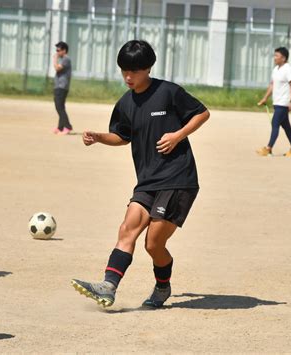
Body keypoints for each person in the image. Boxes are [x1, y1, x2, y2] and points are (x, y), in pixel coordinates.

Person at [71, 40, 210, 308]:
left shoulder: (168, 92)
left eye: (133, 71)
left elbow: (202, 113)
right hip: (147, 181)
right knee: (127, 229)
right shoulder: (125, 103)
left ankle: (162, 286)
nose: (127, 77)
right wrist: (100, 137)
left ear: (147, 68)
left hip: (178, 178)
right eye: (124, 70)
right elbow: (122, 136)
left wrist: (178, 135)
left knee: (153, 244)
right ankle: (108, 286)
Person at [257, 47, 291, 157]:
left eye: (277, 56)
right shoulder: (276, 69)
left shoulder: (288, 69)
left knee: (275, 123)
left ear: (284, 58)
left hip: (284, 103)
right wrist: (265, 98)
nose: (274, 58)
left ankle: (268, 148)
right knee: (286, 126)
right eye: (274, 55)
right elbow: (272, 85)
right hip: (277, 102)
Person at [52, 41, 73, 135]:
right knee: (60, 106)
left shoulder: (66, 59)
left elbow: (57, 68)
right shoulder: (63, 59)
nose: (57, 52)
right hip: (59, 86)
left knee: (59, 106)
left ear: (64, 50)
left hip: (62, 86)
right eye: (56, 50)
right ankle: (60, 127)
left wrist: (54, 59)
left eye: (58, 50)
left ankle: (67, 126)